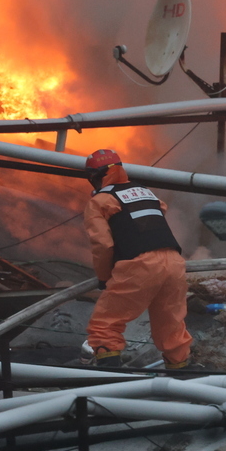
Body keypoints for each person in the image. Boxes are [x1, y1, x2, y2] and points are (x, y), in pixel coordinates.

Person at [82, 149, 192, 370]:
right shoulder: (147, 193)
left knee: (105, 325)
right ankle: (183, 383)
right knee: (171, 327)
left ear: (94, 177)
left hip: (139, 265)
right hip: (174, 262)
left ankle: (109, 381)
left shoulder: (101, 201)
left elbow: (103, 245)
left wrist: (105, 278)